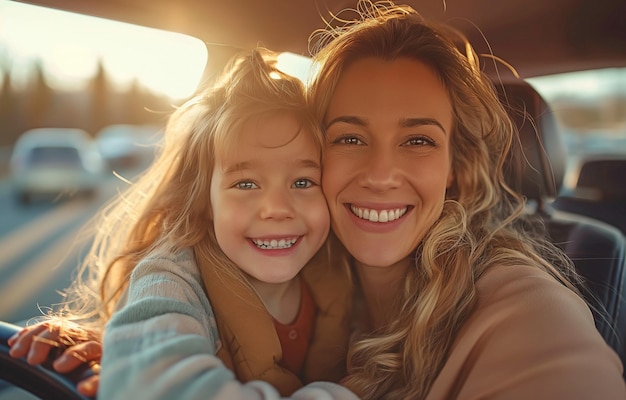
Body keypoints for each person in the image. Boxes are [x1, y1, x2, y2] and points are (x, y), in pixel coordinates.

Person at [11, 1, 626, 399]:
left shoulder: (519, 304)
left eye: (417, 140)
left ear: (457, 171)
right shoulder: (299, 263)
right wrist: (120, 348)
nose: (381, 173)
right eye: (351, 137)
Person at [9, 47, 354, 399]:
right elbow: (153, 382)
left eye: (302, 182)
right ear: (205, 202)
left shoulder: (345, 276)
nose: (277, 208)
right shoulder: (173, 277)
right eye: (246, 184)